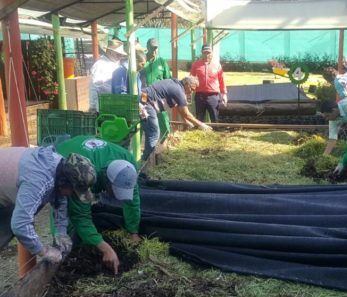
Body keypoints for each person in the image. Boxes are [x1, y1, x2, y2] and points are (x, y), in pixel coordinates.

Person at [56, 136, 141, 274]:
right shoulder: (84, 175)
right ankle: (62, 255)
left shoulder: (127, 161)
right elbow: (80, 217)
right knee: (64, 213)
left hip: (90, 153)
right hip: (67, 159)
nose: (117, 198)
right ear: (106, 182)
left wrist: (133, 231)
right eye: (115, 191)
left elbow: (133, 199)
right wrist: (105, 248)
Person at [0, 147, 96, 262]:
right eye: (73, 191)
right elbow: (20, 224)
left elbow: (60, 200)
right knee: (17, 222)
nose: (71, 195)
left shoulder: (61, 167)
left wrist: (61, 233)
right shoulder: (38, 181)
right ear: (64, 182)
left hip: (8, 185)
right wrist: (43, 251)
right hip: (13, 182)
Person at [139, 76, 212, 161]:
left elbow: (178, 106)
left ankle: (146, 157)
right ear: (187, 84)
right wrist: (202, 125)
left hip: (143, 97)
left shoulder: (175, 83)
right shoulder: (179, 91)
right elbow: (186, 113)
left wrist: (185, 121)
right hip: (145, 102)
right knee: (154, 132)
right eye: (192, 89)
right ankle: (146, 160)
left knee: (150, 131)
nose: (191, 93)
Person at [190, 44, 228, 123]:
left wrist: (224, 94)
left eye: (208, 52)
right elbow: (191, 79)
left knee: (215, 118)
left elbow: (221, 80)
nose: (207, 55)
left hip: (213, 96)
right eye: (205, 52)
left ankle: (216, 133)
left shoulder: (217, 65)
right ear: (202, 53)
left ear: (212, 53)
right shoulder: (196, 65)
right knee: (199, 119)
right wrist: (188, 92)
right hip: (200, 95)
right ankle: (200, 134)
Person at [89, 39, 128, 112]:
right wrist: (93, 107)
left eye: (121, 55)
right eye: (118, 54)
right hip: (103, 107)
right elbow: (94, 87)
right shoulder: (100, 65)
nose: (120, 57)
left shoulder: (117, 64)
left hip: (114, 104)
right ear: (109, 52)